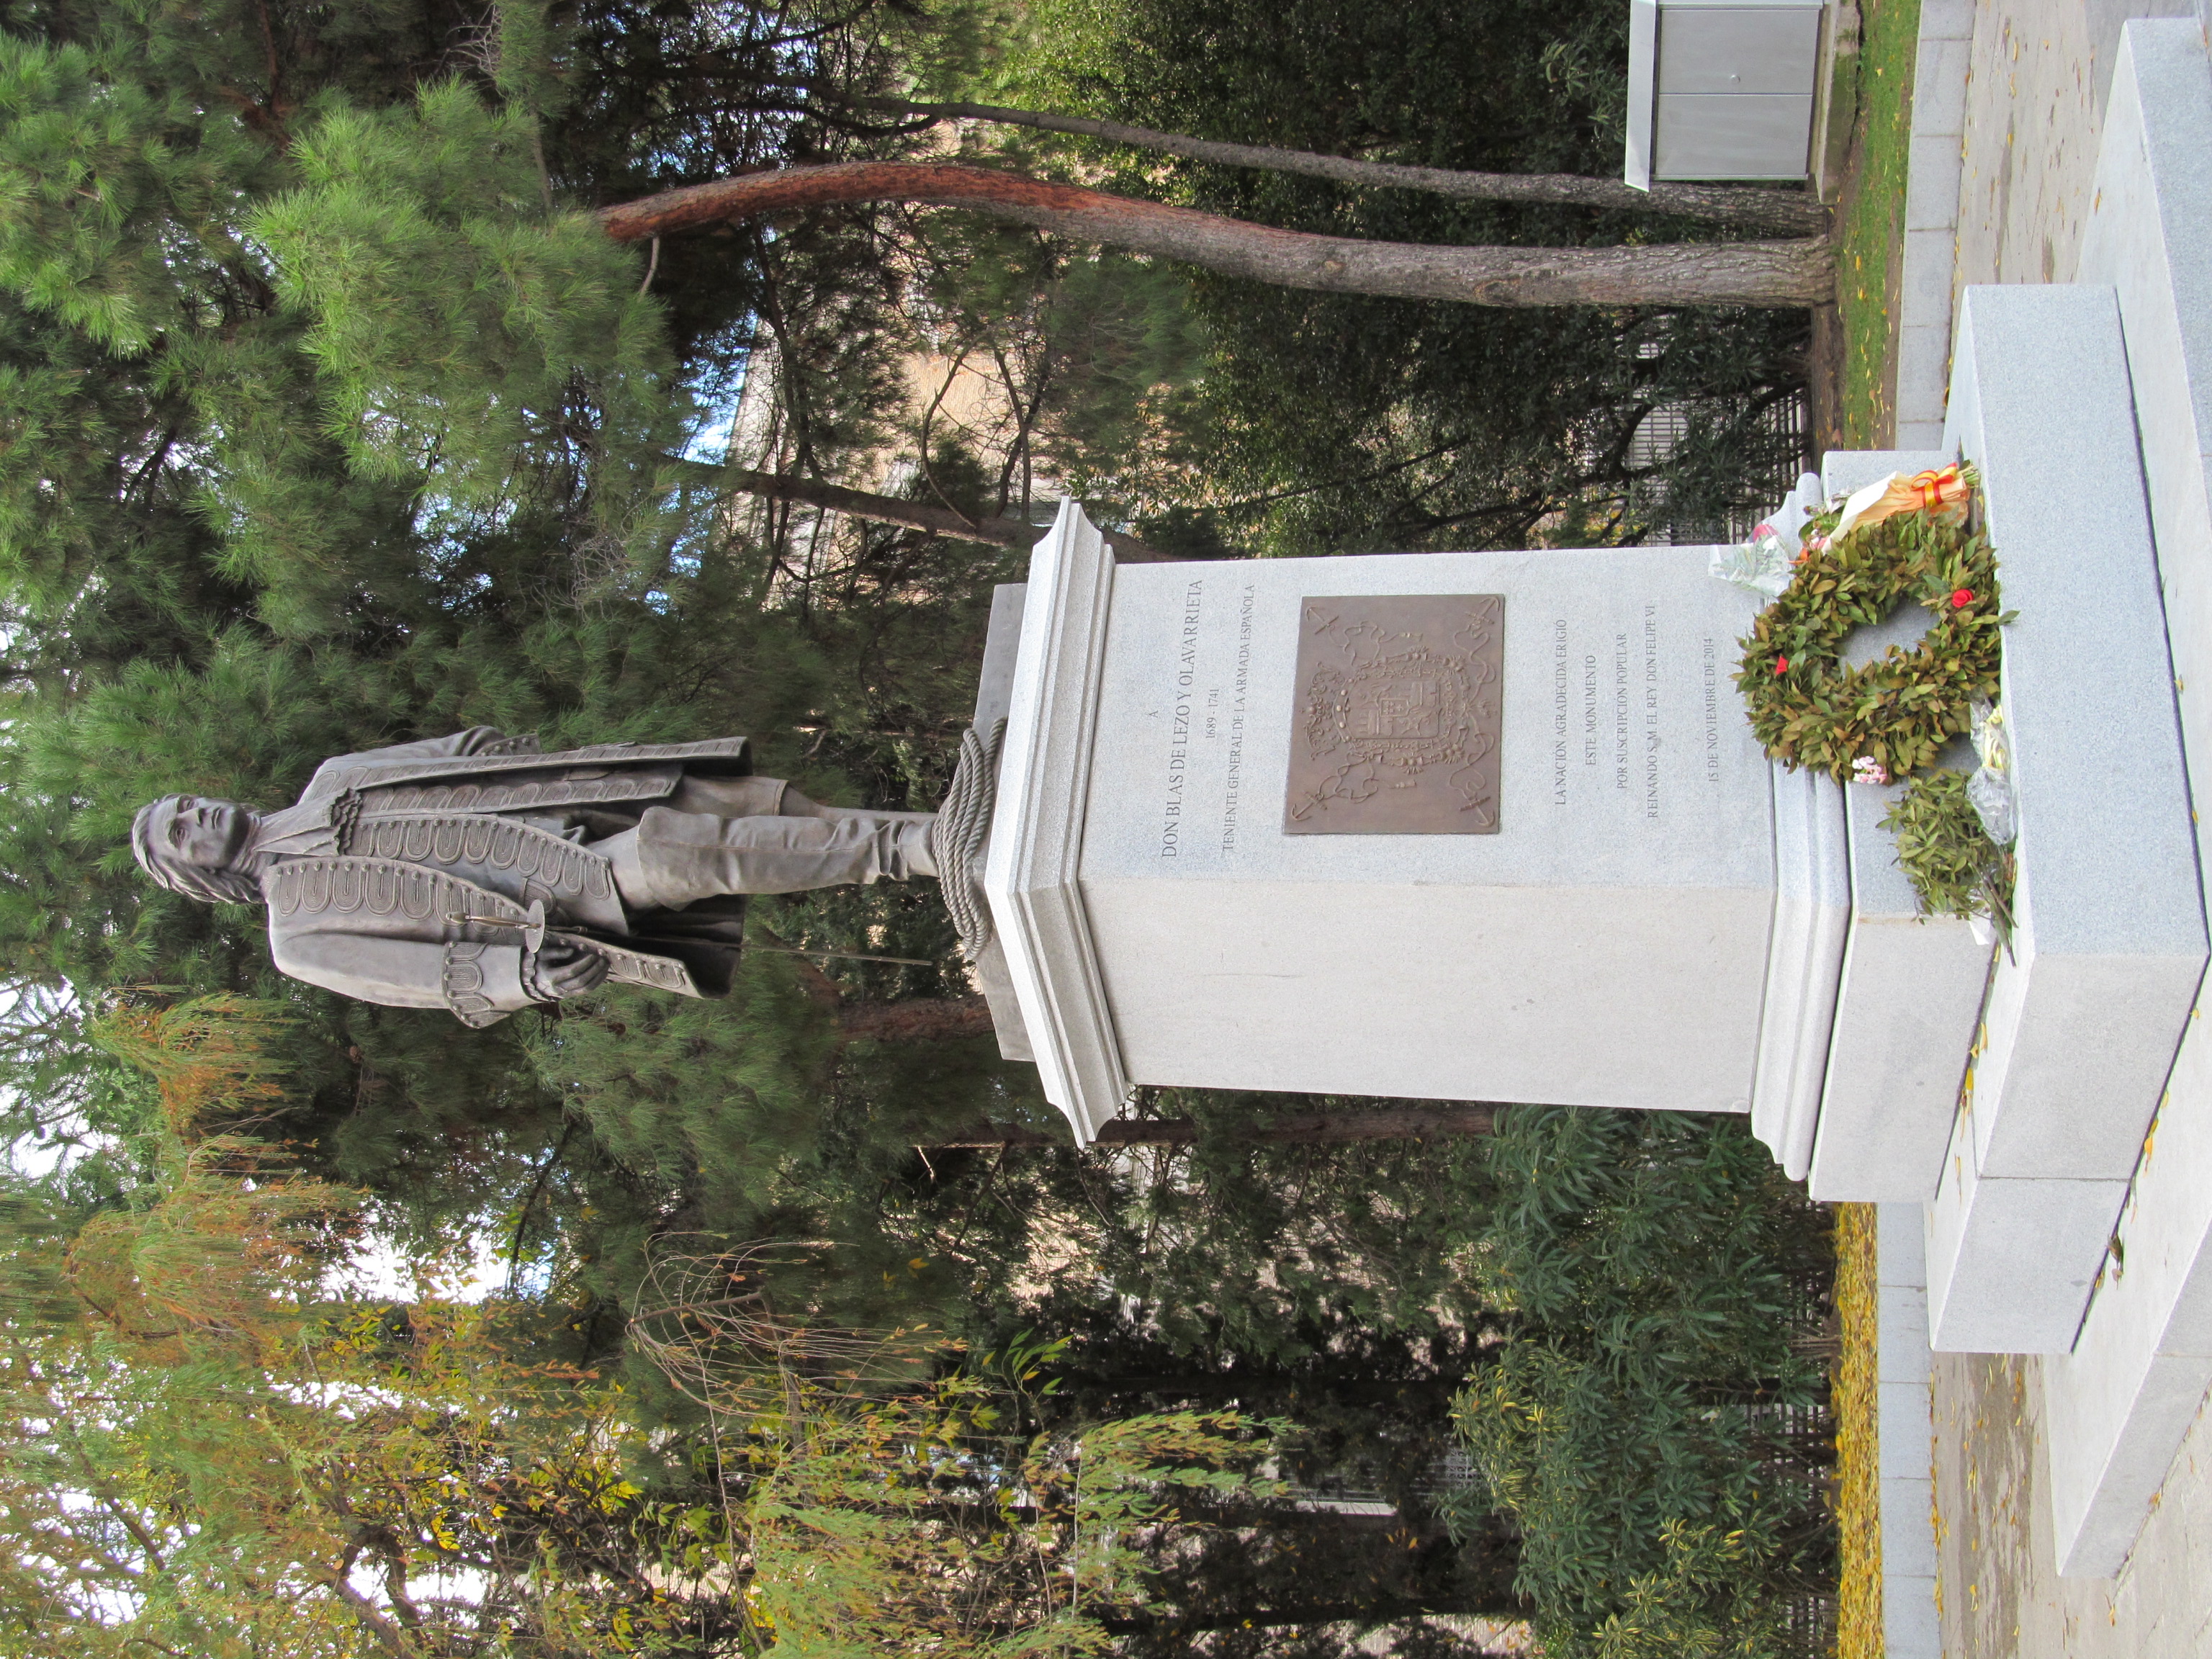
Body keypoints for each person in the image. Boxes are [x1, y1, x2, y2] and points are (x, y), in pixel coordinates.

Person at [129, 727, 971, 1027]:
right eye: (179, 831)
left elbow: (459, 753)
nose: (195, 815)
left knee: (746, 807)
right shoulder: (297, 934)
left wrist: (529, 764)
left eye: (185, 802)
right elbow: (423, 976)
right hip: (559, 894)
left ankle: (942, 835)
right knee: (684, 853)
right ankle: (922, 852)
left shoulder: (333, 778)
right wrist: (520, 975)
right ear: (192, 875)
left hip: (572, 801)